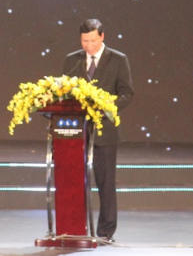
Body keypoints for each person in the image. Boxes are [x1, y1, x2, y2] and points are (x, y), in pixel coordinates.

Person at [63, 18, 134, 242]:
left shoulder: (118, 59)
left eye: (93, 40)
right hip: (76, 132)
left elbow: (127, 93)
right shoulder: (72, 60)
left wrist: (107, 106)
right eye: (85, 41)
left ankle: (106, 231)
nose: (89, 45)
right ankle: (74, 228)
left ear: (102, 37)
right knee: (74, 182)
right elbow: (64, 92)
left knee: (106, 182)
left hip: (105, 130)